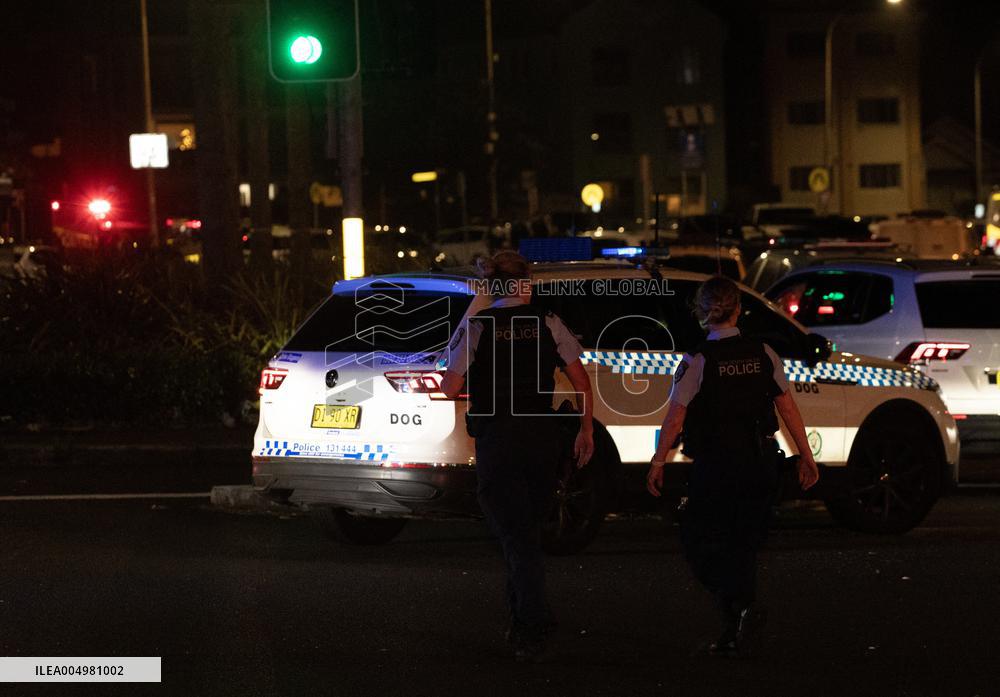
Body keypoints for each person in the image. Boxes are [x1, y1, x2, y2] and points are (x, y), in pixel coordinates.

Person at [646, 275, 820, 657]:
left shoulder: (697, 360)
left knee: (698, 541)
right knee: (743, 546)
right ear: (739, 310)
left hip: (717, 465)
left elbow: (675, 417)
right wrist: (806, 456)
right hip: (759, 464)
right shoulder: (763, 353)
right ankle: (737, 626)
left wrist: (659, 461)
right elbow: (787, 408)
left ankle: (739, 609)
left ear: (702, 314)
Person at [441, 251, 595, 663]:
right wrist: (585, 430)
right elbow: (581, 381)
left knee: (516, 537)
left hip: (500, 441)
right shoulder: (548, 322)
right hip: (542, 440)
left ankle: (533, 622)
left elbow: (449, 386)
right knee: (523, 533)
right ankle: (524, 619)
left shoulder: (478, 327)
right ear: (524, 284)